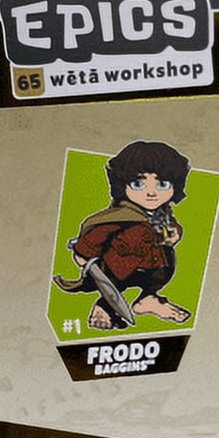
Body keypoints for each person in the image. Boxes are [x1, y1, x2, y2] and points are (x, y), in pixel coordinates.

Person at [53, 140, 192, 330]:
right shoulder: (119, 216)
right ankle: (103, 308)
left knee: (163, 269)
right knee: (113, 288)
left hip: (153, 266)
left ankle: (148, 299)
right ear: (122, 185)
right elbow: (95, 236)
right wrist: (83, 255)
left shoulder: (163, 213)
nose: (151, 193)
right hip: (118, 268)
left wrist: (173, 234)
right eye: (138, 184)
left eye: (162, 184)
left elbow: (171, 227)